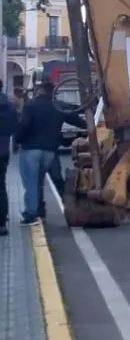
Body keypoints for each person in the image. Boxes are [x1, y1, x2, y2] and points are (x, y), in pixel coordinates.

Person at [15, 80, 86, 225]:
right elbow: (77, 120)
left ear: (39, 90)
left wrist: (17, 140)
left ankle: (32, 214)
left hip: (30, 149)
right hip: (50, 151)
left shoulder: (32, 105)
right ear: (53, 91)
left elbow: (23, 126)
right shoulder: (58, 106)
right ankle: (69, 209)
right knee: (43, 181)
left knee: (32, 183)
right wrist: (88, 125)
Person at [0, 84, 19, 236]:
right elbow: (14, 129)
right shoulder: (10, 107)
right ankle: (2, 223)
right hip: (3, 151)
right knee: (1, 186)